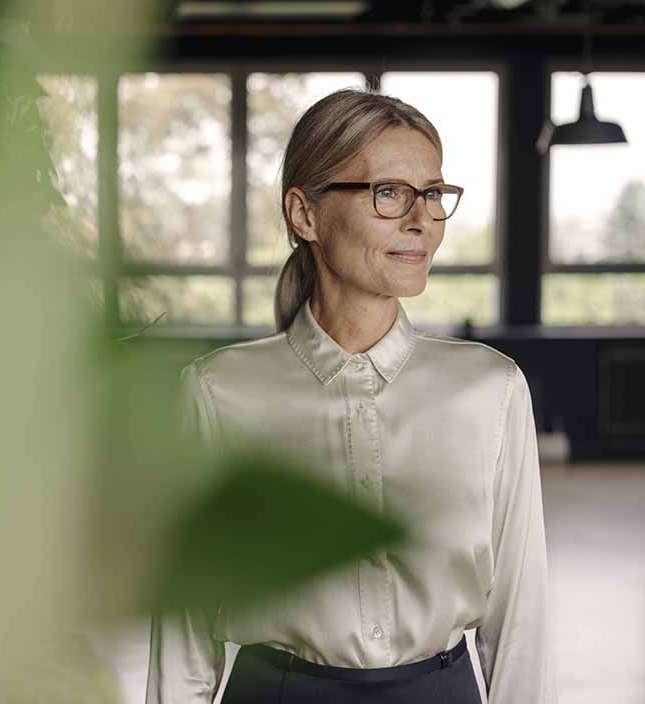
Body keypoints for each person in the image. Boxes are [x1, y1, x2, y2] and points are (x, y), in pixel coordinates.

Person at [145, 88, 557, 704]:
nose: (421, 220)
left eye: (433, 194)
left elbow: (520, 619)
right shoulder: (218, 393)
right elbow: (183, 635)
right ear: (305, 215)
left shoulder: (491, 390)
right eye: (388, 193)